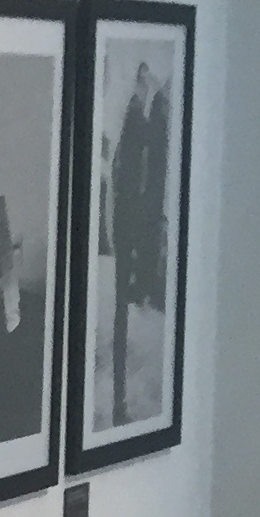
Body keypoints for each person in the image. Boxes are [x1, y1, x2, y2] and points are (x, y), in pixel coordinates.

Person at [109, 57, 170, 425]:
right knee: (120, 309)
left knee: (123, 308)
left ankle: (120, 403)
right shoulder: (140, 125)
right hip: (131, 226)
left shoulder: (146, 125)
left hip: (135, 226)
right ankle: (119, 403)